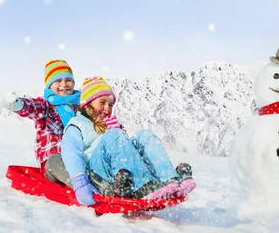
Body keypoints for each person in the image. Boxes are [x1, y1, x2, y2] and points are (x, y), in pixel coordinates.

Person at [61, 76, 195, 206]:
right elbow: (71, 155)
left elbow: (125, 151)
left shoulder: (110, 125)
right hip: (98, 175)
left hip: (121, 175)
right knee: (115, 134)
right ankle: (141, 187)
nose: (107, 108)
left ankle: (169, 179)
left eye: (111, 104)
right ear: (87, 104)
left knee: (145, 135)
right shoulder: (76, 125)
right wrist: (80, 183)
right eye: (102, 103)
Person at [1, 59, 79, 185]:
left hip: (79, 158)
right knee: (57, 161)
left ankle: (106, 184)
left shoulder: (80, 106)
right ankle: (82, 184)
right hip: (55, 160)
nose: (64, 84)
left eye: (68, 80)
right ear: (49, 85)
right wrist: (18, 104)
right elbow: (32, 107)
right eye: (58, 80)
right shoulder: (46, 106)